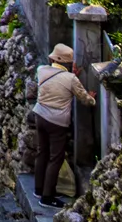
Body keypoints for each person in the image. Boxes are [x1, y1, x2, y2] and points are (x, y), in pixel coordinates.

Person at [32, 43, 95, 206]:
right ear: (68, 63)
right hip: (57, 121)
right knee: (56, 158)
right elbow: (84, 99)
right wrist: (92, 98)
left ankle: (38, 190)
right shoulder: (71, 79)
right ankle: (47, 197)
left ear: (53, 58)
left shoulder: (41, 70)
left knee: (42, 153)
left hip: (39, 116)